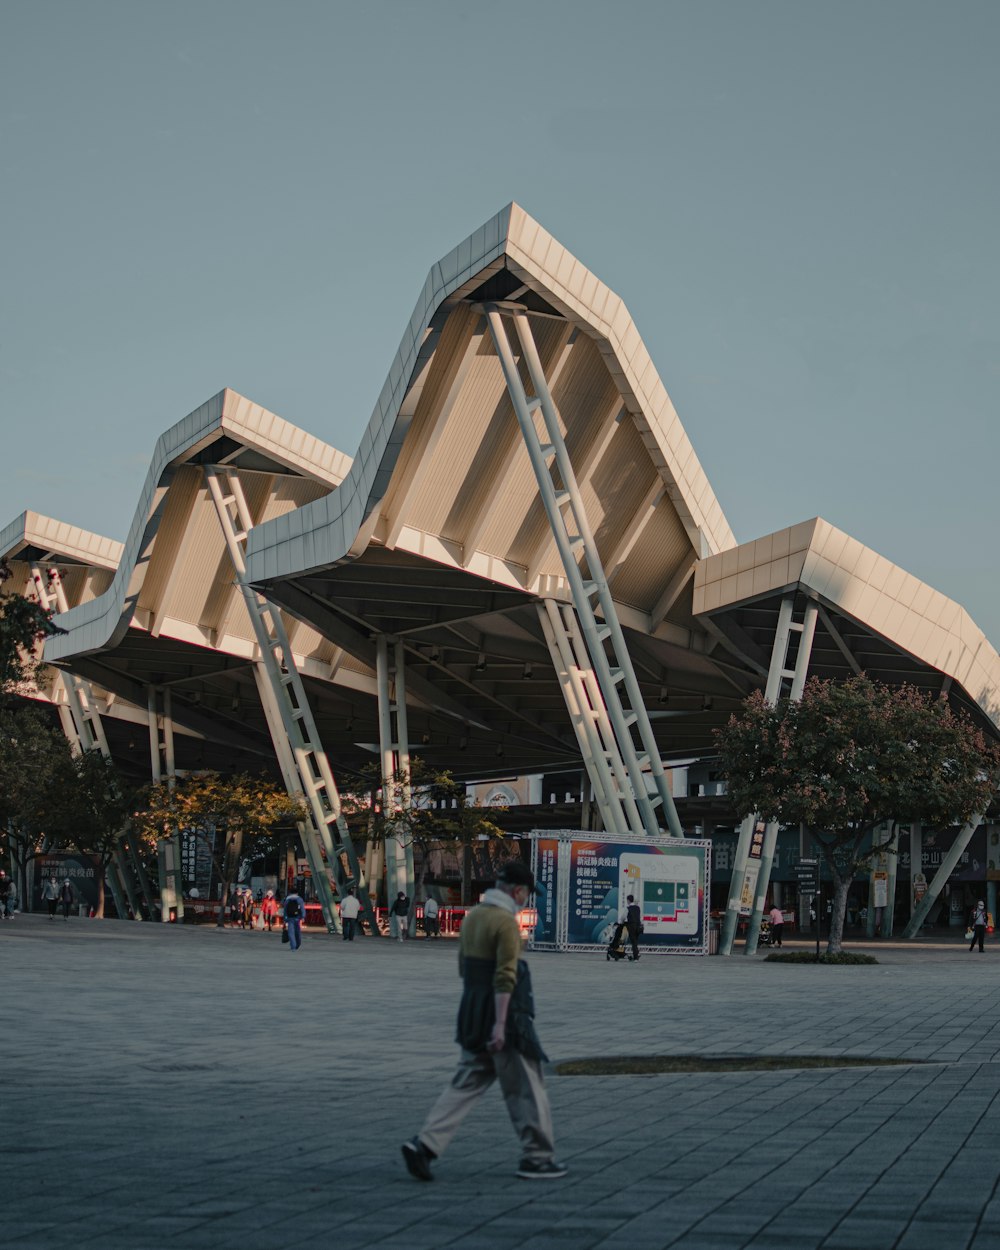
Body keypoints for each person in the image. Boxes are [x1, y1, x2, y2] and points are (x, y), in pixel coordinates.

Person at [401, 859, 566, 1182]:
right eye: (525, 894)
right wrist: (501, 1026)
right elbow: (506, 977)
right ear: (518, 891)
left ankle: (424, 1144)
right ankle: (537, 1158)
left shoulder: (474, 918)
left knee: (467, 1082)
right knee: (527, 1088)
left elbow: (464, 968)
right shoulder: (505, 923)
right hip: (504, 1017)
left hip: (471, 1011)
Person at [624, 893, 641, 961]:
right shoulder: (638, 908)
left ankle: (636, 957)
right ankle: (637, 953)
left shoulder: (628, 908)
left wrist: (620, 922)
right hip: (638, 926)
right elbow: (639, 917)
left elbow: (623, 917)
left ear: (628, 900)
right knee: (635, 941)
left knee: (633, 942)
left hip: (631, 926)